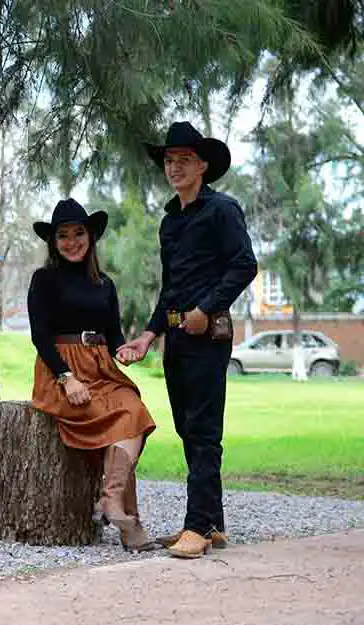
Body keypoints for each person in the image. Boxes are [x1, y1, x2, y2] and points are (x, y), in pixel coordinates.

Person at [120, 121, 258, 559]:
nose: (174, 167)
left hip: (208, 336)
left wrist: (208, 309)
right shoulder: (170, 222)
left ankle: (196, 527)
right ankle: (212, 523)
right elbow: (170, 288)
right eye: (169, 160)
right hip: (176, 339)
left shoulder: (222, 210)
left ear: (202, 165)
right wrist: (148, 334)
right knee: (187, 429)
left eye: (183, 160)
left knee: (202, 431)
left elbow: (244, 265)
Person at [27, 198, 159, 553]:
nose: (72, 241)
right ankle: (129, 524)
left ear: (90, 237)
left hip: (101, 368)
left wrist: (124, 352)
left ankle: (111, 501)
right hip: (62, 371)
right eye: (63, 235)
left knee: (133, 410)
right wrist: (66, 378)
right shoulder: (44, 280)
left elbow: (113, 334)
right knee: (125, 421)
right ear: (54, 242)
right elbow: (40, 335)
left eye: (78, 233)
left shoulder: (105, 284)